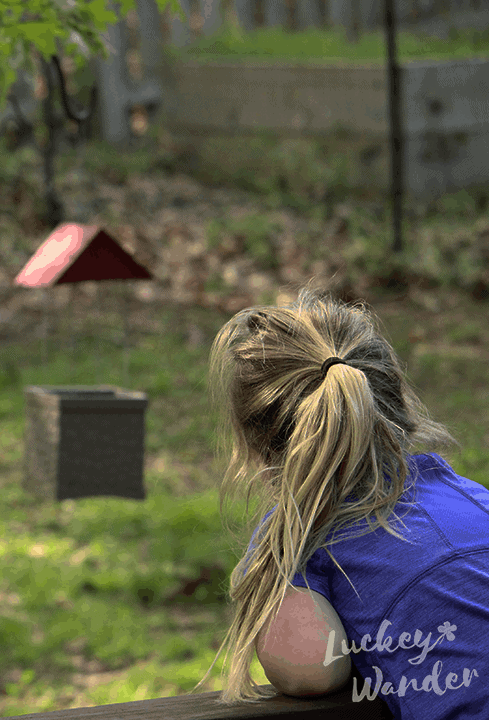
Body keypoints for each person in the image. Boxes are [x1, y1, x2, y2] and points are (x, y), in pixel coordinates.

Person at [194, 283, 485, 719]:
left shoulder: (302, 535)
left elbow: (310, 671)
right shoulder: (472, 498)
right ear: (397, 403)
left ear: (259, 448)